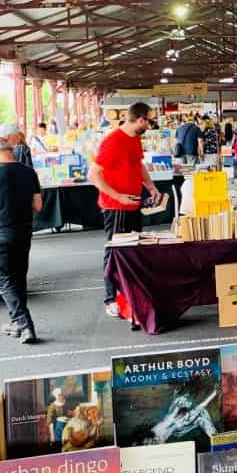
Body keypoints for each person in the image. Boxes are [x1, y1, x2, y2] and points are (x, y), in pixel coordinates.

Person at [88, 101, 159, 318]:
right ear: (140, 119)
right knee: (114, 251)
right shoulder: (113, 141)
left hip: (133, 203)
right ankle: (111, 298)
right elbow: (93, 175)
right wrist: (117, 196)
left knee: (133, 249)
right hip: (115, 207)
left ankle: (129, 293)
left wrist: (151, 187)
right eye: (149, 120)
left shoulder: (134, 139)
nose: (150, 124)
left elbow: (137, 165)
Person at [0, 137, 42, 344]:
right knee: (18, 278)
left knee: (4, 281)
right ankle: (15, 322)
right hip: (23, 233)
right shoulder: (29, 172)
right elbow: (38, 206)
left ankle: (24, 324)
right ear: (11, 151)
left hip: (0, 235)